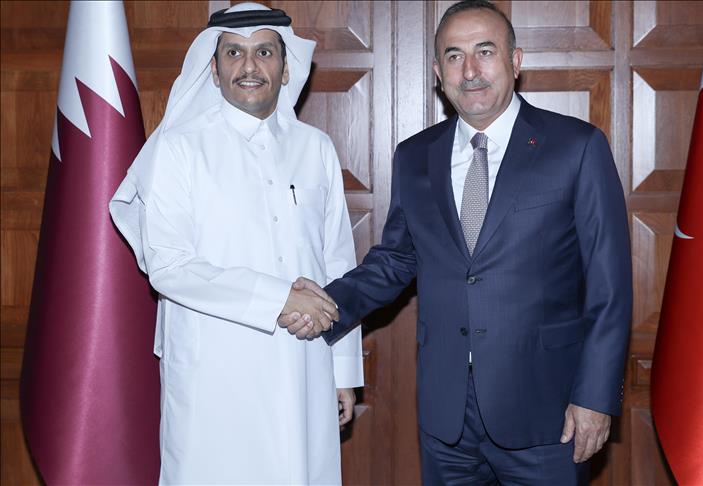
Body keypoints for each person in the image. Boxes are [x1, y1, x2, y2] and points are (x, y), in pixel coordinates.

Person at [285, 0, 631, 484]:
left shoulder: (577, 147)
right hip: (446, 416)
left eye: (485, 52)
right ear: (437, 72)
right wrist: (326, 303)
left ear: (515, 60)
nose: (470, 71)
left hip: (547, 410)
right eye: (454, 56)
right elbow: (397, 259)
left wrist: (595, 396)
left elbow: (610, 287)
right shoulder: (415, 156)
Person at [109, 3, 363, 484]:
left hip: (302, 363)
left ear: (286, 69)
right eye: (234, 53)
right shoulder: (178, 149)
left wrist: (343, 369)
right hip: (214, 369)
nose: (249, 66)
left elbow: (337, 263)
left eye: (264, 52)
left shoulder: (316, 148)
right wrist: (278, 298)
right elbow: (169, 266)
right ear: (213, 68)